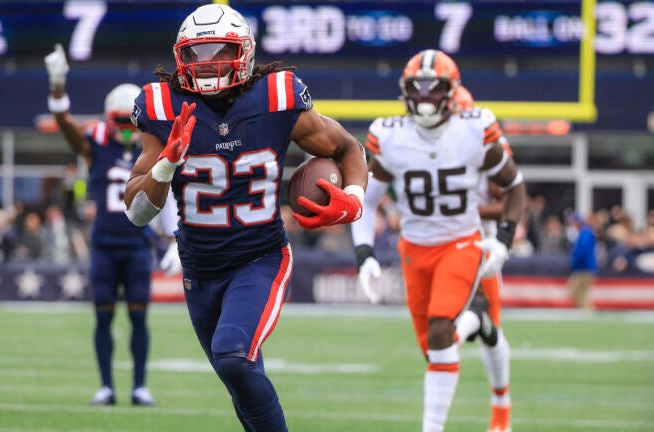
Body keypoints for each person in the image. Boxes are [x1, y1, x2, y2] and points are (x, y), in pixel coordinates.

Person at [123, 4, 368, 431]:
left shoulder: (277, 98)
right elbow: (137, 213)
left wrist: (353, 199)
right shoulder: (163, 107)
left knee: (234, 356)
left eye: (220, 51)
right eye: (197, 54)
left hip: (261, 257)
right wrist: (166, 163)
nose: (207, 64)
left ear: (246, 52)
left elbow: (349, 149)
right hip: (199, 267)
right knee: (237, 376)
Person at [351, 50, 526, 432]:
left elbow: (512, 188)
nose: (426, 98)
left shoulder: (474, 130)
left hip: (466, 243)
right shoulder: (390, 136)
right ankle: (475, 322)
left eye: (436, 89)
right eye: (418, 89)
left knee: (445, 330)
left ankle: (496, 409)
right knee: (436, 349)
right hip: (414, 248)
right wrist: (364, 253)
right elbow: (368, 199)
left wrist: (505, 241)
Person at [44, 44, 181, 406]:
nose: (124, 130)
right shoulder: (95, 143)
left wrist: (176, 237)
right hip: (105, 242)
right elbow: (65, 126)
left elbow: (170, 191)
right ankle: (106, 385)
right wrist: (58, 87)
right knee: (103, 317)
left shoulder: (151, 144)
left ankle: (139, 386)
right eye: (118, 122)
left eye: (128, 122)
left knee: (139, 317)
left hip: (138, 244)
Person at [448, 85, 515, 432]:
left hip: (480, 244)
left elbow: (509, 198)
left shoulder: (482, 142)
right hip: (439, 244)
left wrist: (467, 209)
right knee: (436, 331)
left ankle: (501, 404)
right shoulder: (423, 141)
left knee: (483, 325)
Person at [567, 212, 598, 310]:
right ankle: (585, 311)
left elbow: (582, 251)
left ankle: (589, 311)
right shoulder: (584, 232)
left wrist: (575, 262)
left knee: (577, 291)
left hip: (584, 268)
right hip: (584, 267)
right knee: (577, 292)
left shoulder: (585, 233)